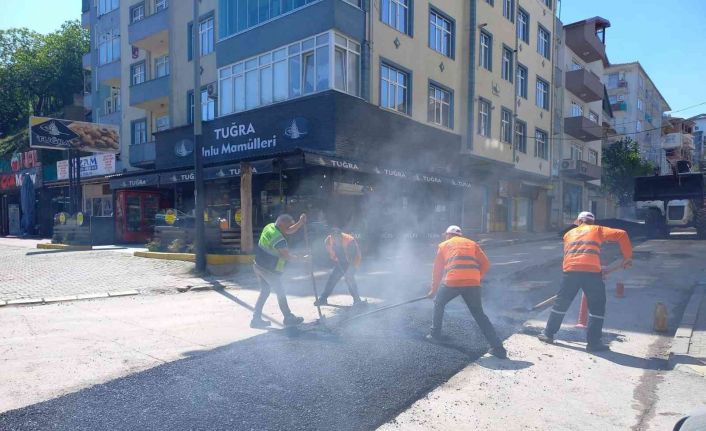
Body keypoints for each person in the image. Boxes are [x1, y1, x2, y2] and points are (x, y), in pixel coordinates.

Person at [538, 211, 633, 351]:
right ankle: (594, 343)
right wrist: (627, 257)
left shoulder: (568, 234)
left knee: (561, 304)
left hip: (570, 272)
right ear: (592, 222)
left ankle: (548, 334)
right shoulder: (598, 229)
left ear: (579, 221)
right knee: (597, 307)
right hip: (591, 273)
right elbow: (622, 234)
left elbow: (579, 252)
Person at [427, 225, 507, 359]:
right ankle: (498, 348)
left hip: (453, 281)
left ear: (448, 235)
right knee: (479, 314)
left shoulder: (443, 245)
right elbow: (486, 264)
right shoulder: (472, 244)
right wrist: (476, 277)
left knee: (439, 303)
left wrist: (433, 291)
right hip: (473, 283)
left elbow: (437, 271)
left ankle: (435, 335)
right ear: (460, 235)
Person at [251, 213, 308, 328]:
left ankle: (255, 320)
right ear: (281, 224)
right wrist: (303, 259)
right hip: (268, 270)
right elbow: (287, 256)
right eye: (287, 226)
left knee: (265, 291)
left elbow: (288, 230)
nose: (288, 229)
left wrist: (300, 223)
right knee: (280, 291)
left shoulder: (270, 226)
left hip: (258, 265)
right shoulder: (278, 239)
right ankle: (288, 317)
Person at [315, 228, 365, 307]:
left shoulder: (349, 240)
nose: (336, 239)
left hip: (353, 260)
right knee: (333, 278)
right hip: (341, 261)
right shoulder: (328, 241)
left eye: (338, 237)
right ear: (331, 236)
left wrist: (349, 271)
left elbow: (353, 256)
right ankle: (323, 298)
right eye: (334, 237)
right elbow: (331, 254)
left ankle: (357, 300)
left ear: (341, 235)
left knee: (349, 277)